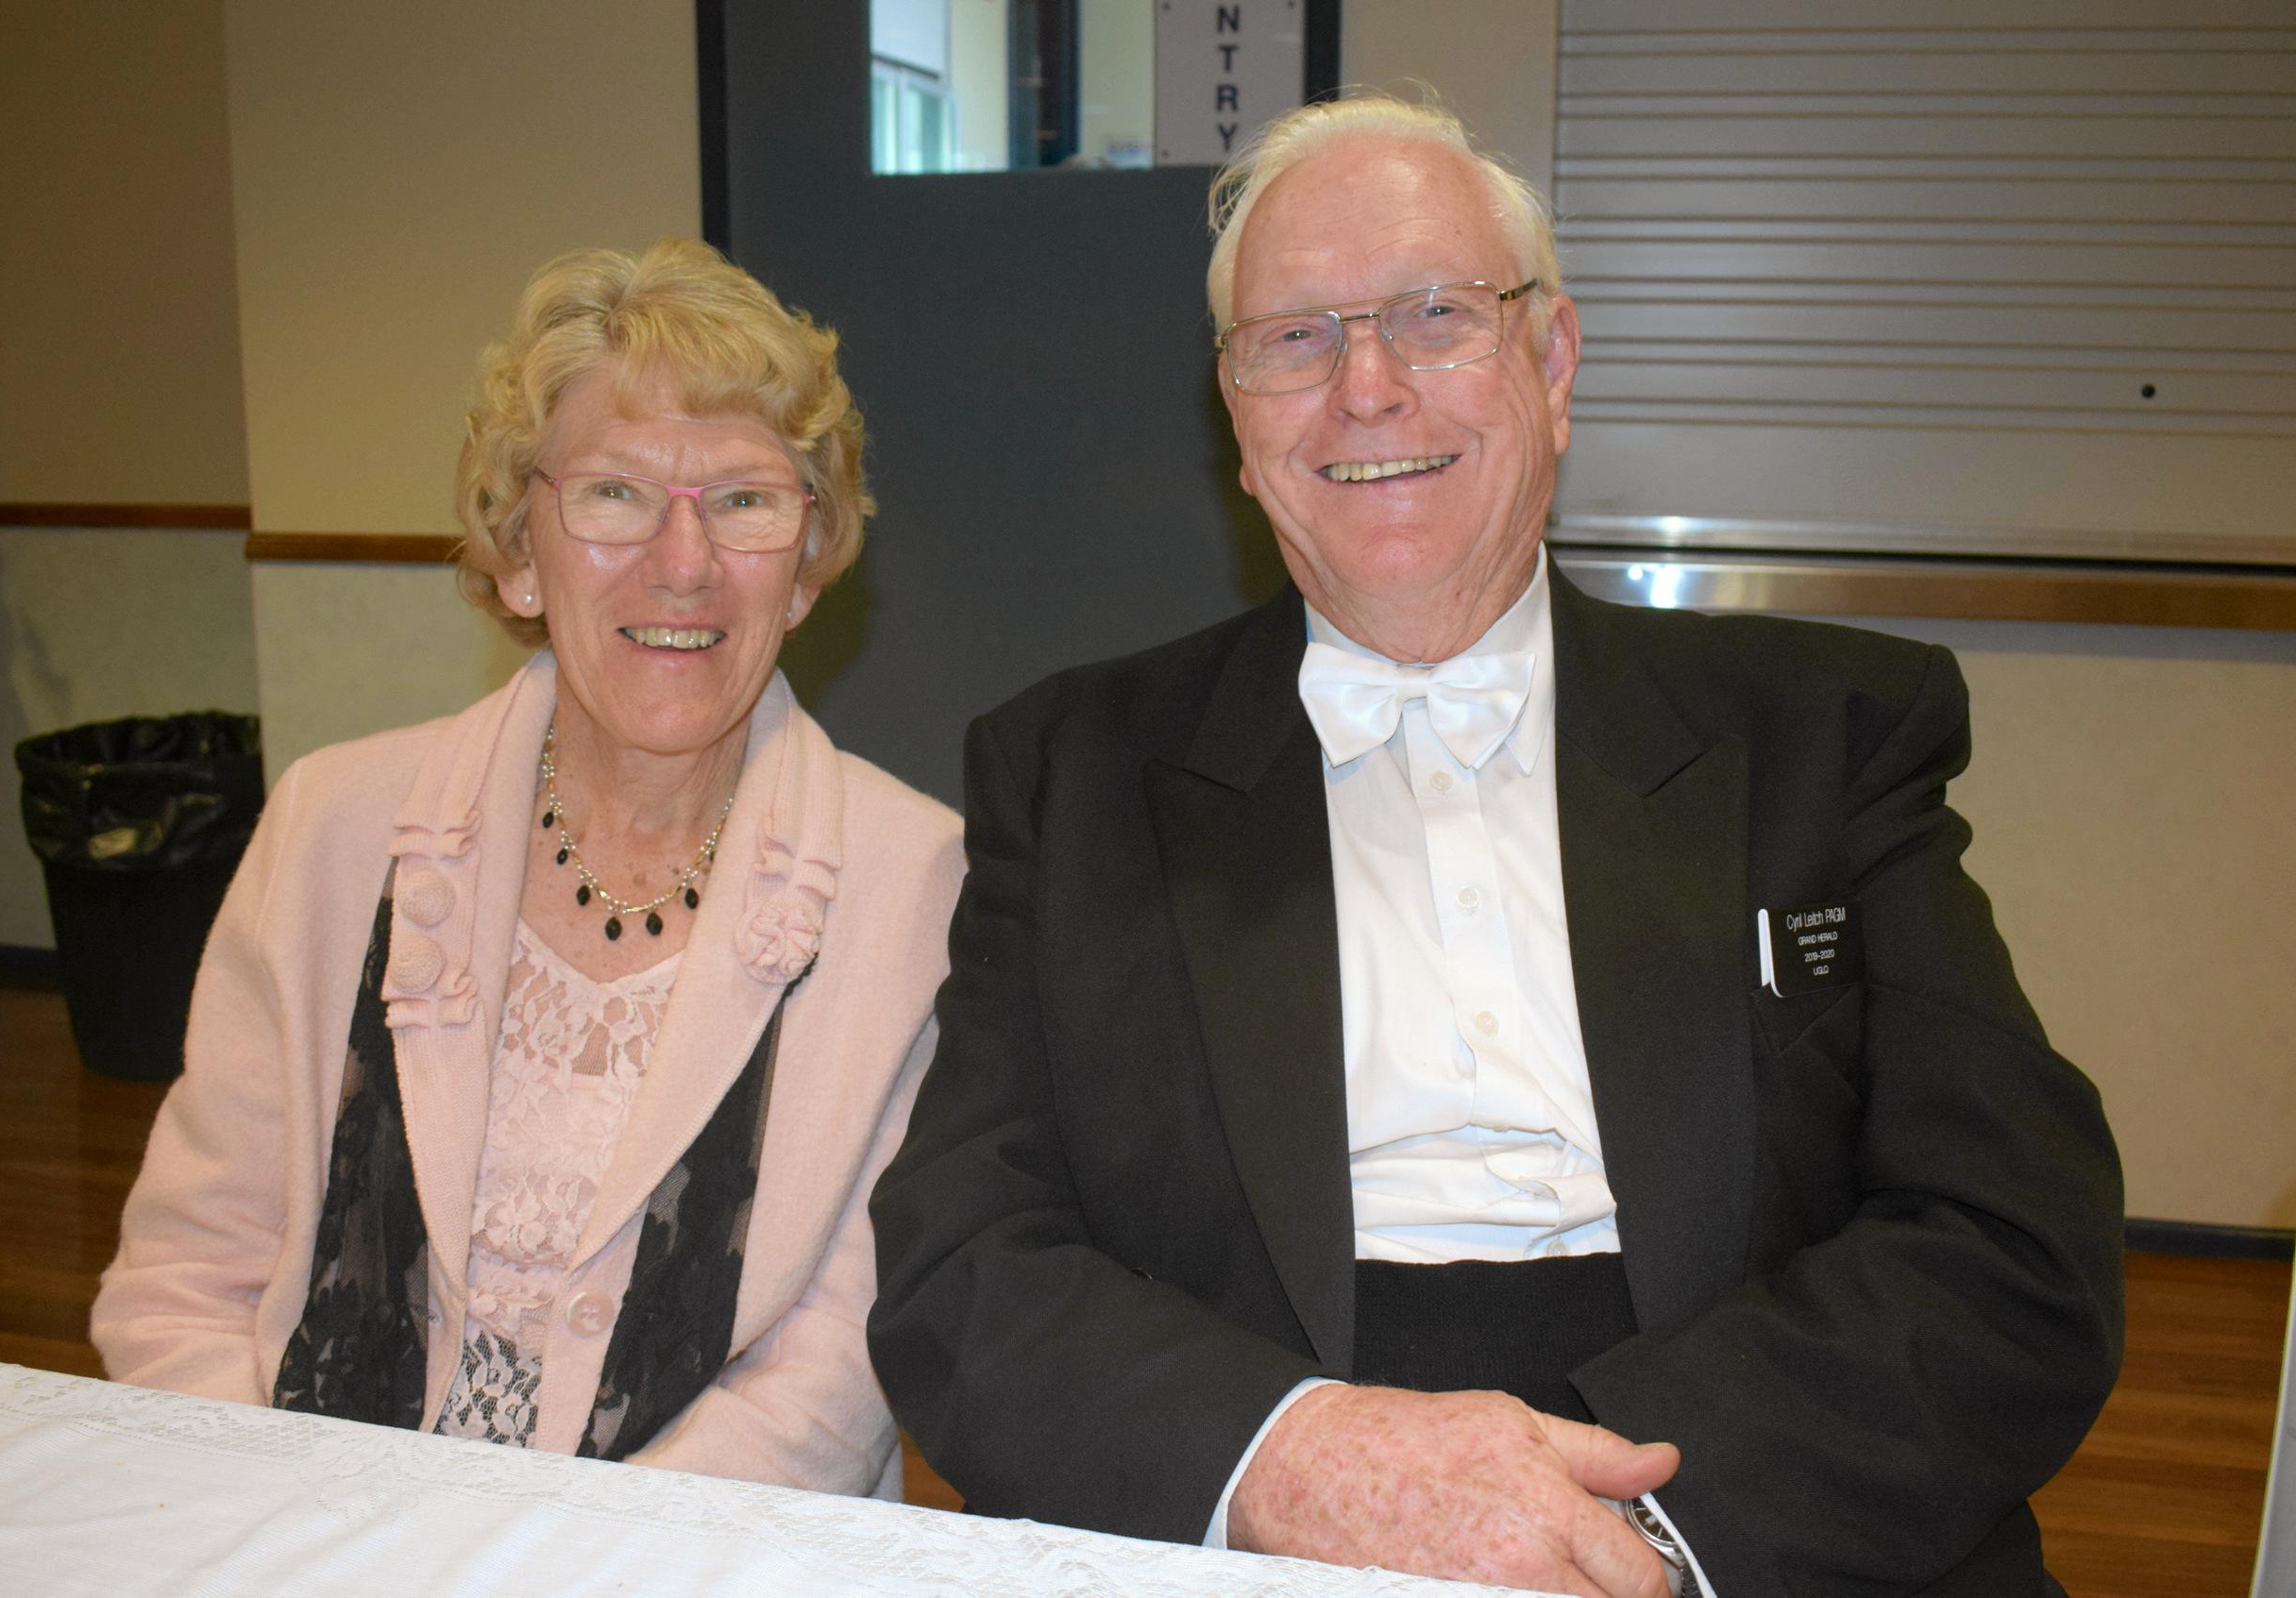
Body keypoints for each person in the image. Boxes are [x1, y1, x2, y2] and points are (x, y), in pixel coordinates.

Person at [868, 95, 2123, 1595]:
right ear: (1237, 418)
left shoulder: (1826, 732)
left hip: (1759, 1495)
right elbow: (965, 1264)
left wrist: (1610, 1518)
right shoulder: (1068, 770)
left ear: (1553, 359)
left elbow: (2011, 1240)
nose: (1368, 387)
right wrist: (1295, 1467)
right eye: (1295, 338)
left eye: (1435, 314)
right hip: (1267, 1501)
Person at [93, 239, 963, 1497]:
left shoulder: (918, 884)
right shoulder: (335, 825)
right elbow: (187, 1272)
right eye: (613, 494)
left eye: (744, 499)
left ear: (809, 562)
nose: (683, 561)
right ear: (515, 549)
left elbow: (834, 1377)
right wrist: (273, 1529)